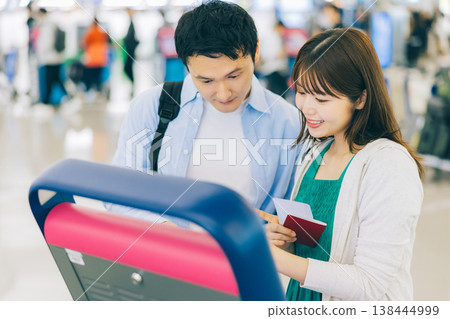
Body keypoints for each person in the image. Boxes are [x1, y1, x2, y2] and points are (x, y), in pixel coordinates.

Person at [264, 28, 424, 301]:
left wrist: (272, 258)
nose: (306, 107)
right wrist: (284, 240)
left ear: (360, 98)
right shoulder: (316, 152)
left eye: (322, 99)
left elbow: (369, 284)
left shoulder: (388, 164)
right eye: (301, 92)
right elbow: (315, 251)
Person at [109, 0, 301, 227]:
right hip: (171, 254)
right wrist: (165, 229)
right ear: (187, 66)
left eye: (234, 76)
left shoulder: (289, 122)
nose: (223, 92)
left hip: (249, 258)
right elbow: (118, 194)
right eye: (206, 80)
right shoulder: (153, 106)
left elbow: (294, 209)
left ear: (256, 51)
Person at [35, 8, 68, 106]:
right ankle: (66, 98)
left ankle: (46, 101)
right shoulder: (52, 24)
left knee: (49, 81)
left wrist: (40, 54)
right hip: (56, 58)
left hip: (49, 59)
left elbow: (46, 43)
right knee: (57, 80)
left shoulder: (47, 25)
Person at [81, 18, 109, 100]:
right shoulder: (102, 33)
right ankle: (99, 94)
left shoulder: (90, 32)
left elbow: (83, 44)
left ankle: (88, 94)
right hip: (101, 59)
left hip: (92, 60)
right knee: (98, 79)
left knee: (89, 78)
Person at [123, 8, 139, 94]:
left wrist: (125, 41)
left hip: (130, 51)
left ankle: (132, 83)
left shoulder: (132, 24)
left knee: (127, 68)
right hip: (130, 51)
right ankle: (132, 83)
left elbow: (131, 39)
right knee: (127, 68)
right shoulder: (131, 24)